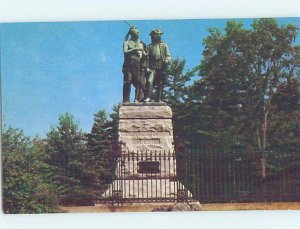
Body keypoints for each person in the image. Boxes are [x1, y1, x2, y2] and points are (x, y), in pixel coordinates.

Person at [122, 27, 147, 103]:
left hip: (137, 64)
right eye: (136, 32)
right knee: (128, 81)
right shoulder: (127, 42)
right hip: (128, 64)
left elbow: (144, 55)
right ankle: (126, 99)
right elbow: (125, 52)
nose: (138, 34)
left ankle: (141, 97)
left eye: (138, 32)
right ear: (132, 34)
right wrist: (134, 49)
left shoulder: (141, 43)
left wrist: (145, 54)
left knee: (139, 82)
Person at [147, 28, 171, 102]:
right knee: (149, 81)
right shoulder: (149, 46)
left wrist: (167, 60)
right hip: (151, 67)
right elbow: (146, 58)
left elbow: (168, 56)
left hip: (161, 66)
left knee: (160, 83)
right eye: (152, 35)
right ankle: (148, 97)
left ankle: (158, 98)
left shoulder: (164, 45)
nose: (153, 37)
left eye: (155, 35)